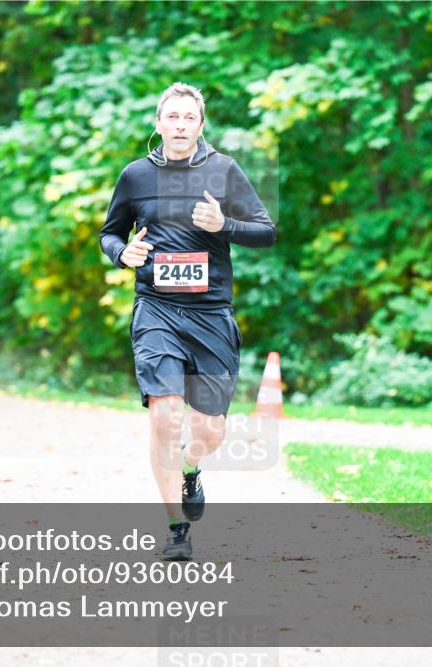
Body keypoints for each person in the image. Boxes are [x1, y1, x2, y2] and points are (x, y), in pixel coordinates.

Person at [99, 82, 276, 560]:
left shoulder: (224, 170)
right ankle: (176, 528)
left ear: (201, 125)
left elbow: (266, 231)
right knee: (164, 416)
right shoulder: (135, 175)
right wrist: (123, 253)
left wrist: (226, 226)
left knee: (210, 431)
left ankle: (190, 467)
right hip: (156, 308)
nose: (179, 126)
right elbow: (109, 233)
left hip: (211, 313)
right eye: (171, 117)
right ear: (159, 123)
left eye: (188, 118)